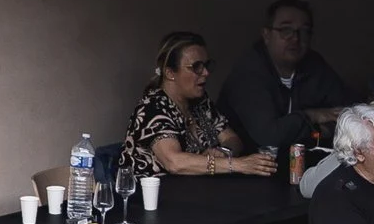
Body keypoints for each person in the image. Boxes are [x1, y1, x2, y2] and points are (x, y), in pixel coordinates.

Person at [119, 32, 277, 187]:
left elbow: (233, 139)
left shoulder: (201, 102)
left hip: (197, 196)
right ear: (170, 73)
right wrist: (237, 164)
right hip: (155, 203)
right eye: (196, 67)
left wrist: (223, 151)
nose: (206, 73)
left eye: (207, 65)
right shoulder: (152, 109)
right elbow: (174, 162)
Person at [218, 0, 352, 163]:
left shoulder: (314, 65)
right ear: (266, 35)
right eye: (285, 30)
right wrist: (311, 116)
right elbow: (270, 137)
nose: (295, 38)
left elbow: (349, 116)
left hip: (301, 164)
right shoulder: (249, 72)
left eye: (303, 31)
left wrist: (316, 131)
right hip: (249, 169)